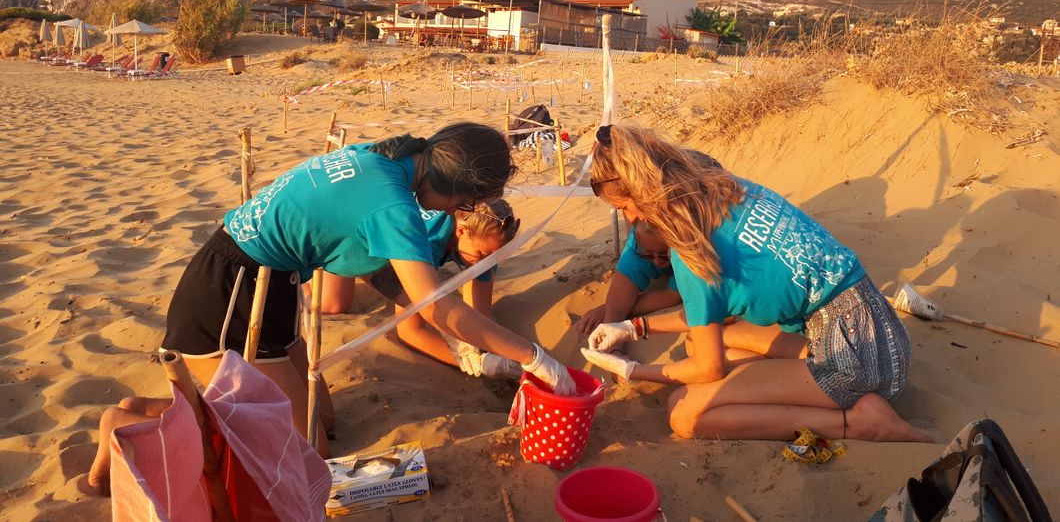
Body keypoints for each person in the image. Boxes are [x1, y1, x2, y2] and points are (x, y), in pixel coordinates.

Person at [156, 123, 574, 453]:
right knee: (307, 449)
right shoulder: (395, 205)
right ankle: (149, 422)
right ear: (454, 183)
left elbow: (382, 272)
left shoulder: (388, 157)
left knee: (324, 421)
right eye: (463, 203)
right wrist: (532, 356)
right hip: (230, 293)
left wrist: (467, 346)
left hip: (277, 285)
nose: (454, 211)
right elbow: (434, 306)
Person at [581, 124, 932, 443]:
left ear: (644, 197)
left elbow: (709, 368)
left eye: (625, 207)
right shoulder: (727, 188)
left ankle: (855, 423)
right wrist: (632, 327)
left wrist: (635, 370)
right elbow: (713, 317)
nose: (630, 218)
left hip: (853, 364)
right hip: (881, 332)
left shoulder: (692, 252)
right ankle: (796, 387)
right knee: (703, 343)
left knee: (684, 412)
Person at [317, 199, 524, 377]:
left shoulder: (485, 246)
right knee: (333, 304)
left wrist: (511, 356)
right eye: (483, 255)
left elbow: (481, 313)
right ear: (461, 231)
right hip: (347, 226)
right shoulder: (424, 243)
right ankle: (307, 280)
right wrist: (478, 364)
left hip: (393, 230)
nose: (487, 263)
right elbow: (410, 332)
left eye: (495, 257)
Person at [578, 150, 721, 339]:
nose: (634, 217)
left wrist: (610, 310)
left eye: (625, 207)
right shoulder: (640, 241)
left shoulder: (688, 234)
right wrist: (610, 314)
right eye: (621, 210)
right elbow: (616, 309)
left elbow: (675, 296)